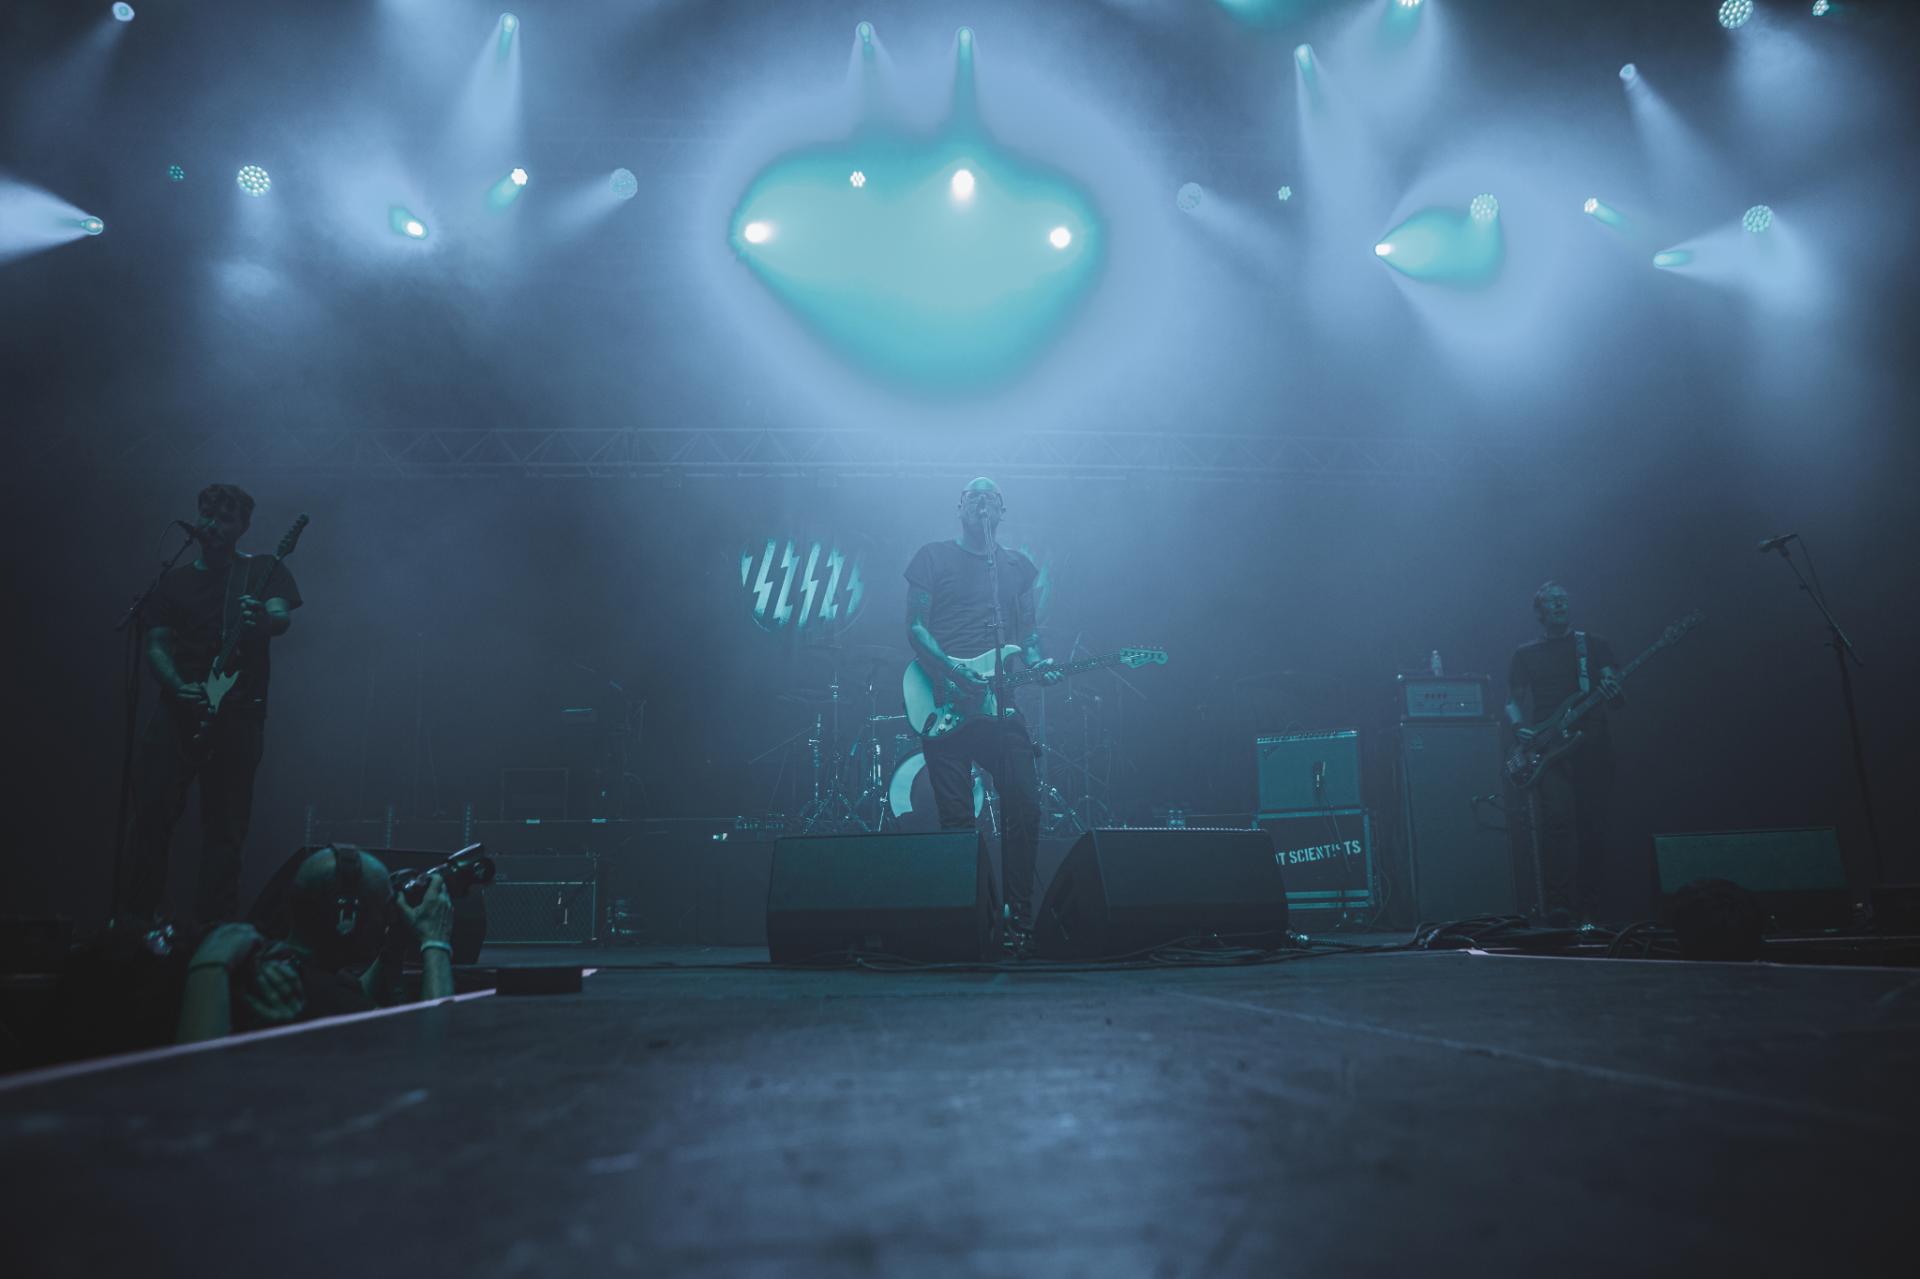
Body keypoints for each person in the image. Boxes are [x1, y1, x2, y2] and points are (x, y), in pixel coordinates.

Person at [118, 483, 302, 925]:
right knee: (150, 818)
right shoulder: (172, 581)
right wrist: (178, 685)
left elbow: (280, 617)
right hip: (178, 710)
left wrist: (263, 620)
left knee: (225, 829)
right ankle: (136, 925)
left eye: (224, 518)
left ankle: (212, 933)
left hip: (237, 712)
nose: (212, 525)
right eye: (206, 515)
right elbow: (157, 644)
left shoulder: (262, 569)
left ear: (242, 527)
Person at [905, 478, 1063, 948]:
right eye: (973, 496)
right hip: (944, 701)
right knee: (957, 821)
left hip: (999, 705)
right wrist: (953, 671)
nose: (982, 502)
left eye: (991, 497)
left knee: (1025, 807)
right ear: (959, 507)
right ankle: (974, 920)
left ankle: (1019, 919)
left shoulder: (1016, 567)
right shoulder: (932, 557)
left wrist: (1037, 663)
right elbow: (915, 627)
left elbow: (1027, 634)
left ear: (1002, 511)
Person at [176, 846, 454, 1042]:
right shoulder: (312, 997)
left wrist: (395, 943)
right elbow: (437, 1049)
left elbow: (352, 993)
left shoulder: (257, 957)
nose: (388, 918)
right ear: (346, 919)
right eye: (383, 910)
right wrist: (435, 941)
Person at [1505, 581, 1624, 924]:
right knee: (1556, 824)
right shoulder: (1525, 653)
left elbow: (1616, 696)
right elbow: (1512, 700)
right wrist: (1518, 726)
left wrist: (1614, 690)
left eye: (1563, 600)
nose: (1559, 605)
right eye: (1551, 602)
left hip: (1591, 743)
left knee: (1592, 824)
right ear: (1539, 612)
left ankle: (1593, 905)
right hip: (1548, 746)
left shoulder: (1593, 645)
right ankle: (1559, 905)